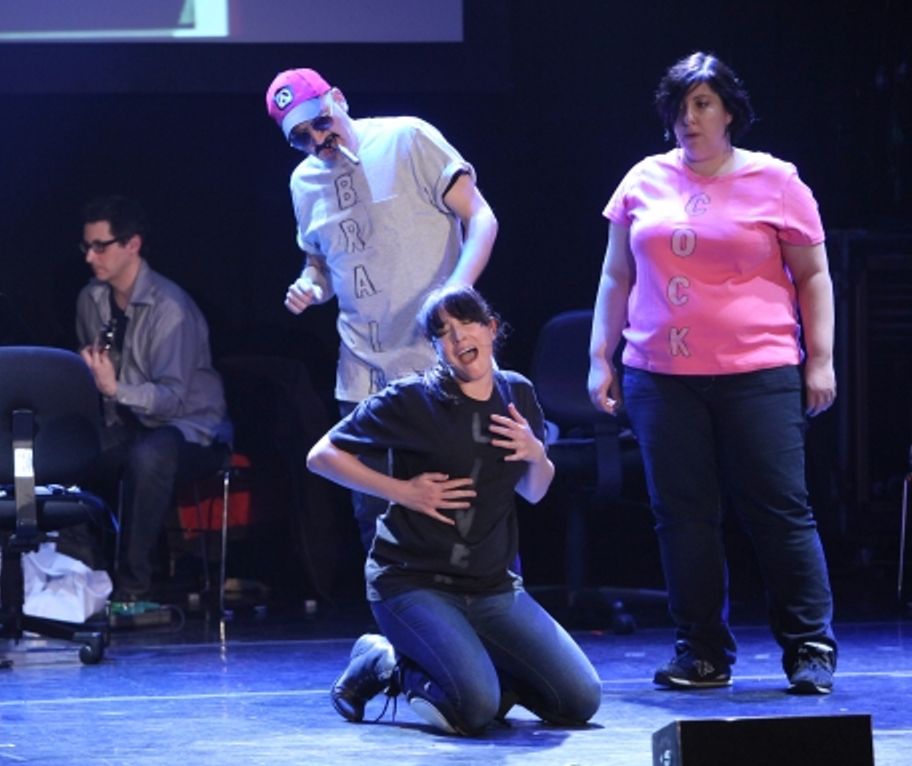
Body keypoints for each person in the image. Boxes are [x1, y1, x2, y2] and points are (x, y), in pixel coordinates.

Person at [588, 51, 838, 695]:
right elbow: (617, 275)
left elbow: (813, 276)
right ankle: (701, 651)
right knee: (684, 518)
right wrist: (600, 357)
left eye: (702, 104)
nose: (688, 118)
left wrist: (822, 359)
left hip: (759, 372)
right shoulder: (642, 179)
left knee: (780, 512)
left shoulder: (777, 181)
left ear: (729, 110)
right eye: (679, 106)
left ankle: (809, 647)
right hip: (661, 376)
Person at [307, 285, 602, 736]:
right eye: (443, 332)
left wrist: (536, 454)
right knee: (476, 709)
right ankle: (385, 662)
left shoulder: (516, 394)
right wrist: (402, 491)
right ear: (435, 348)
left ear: (491, 328)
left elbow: (535, 492)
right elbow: (321, 455)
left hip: (493, 587)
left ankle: (475, 670)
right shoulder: (412, 400)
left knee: (578, 700)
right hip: (412, 580)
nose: (458, 337)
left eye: (467, 323)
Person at [265, 67, 499, 551]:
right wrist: (308, 286)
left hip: (441, 362)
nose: (318, 139)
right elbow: (322, 265)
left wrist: (456, 292)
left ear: (339, 98)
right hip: (364, 373)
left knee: (470, 514)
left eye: (321, 121)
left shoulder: (406, 138)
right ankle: (400, 626)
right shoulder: (303, 183)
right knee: (378, 524)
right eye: (302, 137)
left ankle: (488, 624)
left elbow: (481, 217)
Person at [75, 195, 232, 604]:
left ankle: (133, 587)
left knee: (149, 456)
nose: (91, 257)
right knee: (67, 452)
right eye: (87, 247)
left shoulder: (170, 308)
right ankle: (81, 575)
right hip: (128, 422)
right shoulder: (91, 300)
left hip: (190, 428)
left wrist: (112, 389)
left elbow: (173, 400)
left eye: (101, 246)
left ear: (132, 245)